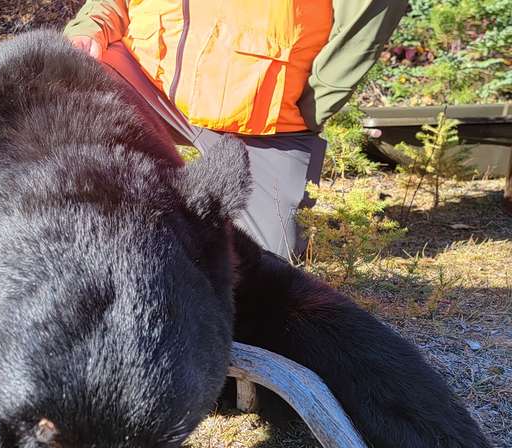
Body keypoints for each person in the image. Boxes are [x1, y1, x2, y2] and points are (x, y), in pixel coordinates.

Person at [65, 0, 408, 259]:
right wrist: (90, 27)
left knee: (266, 261)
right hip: (148, 79)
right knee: (67, 80)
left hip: (267, 114)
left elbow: (372, 13)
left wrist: (317, 98)